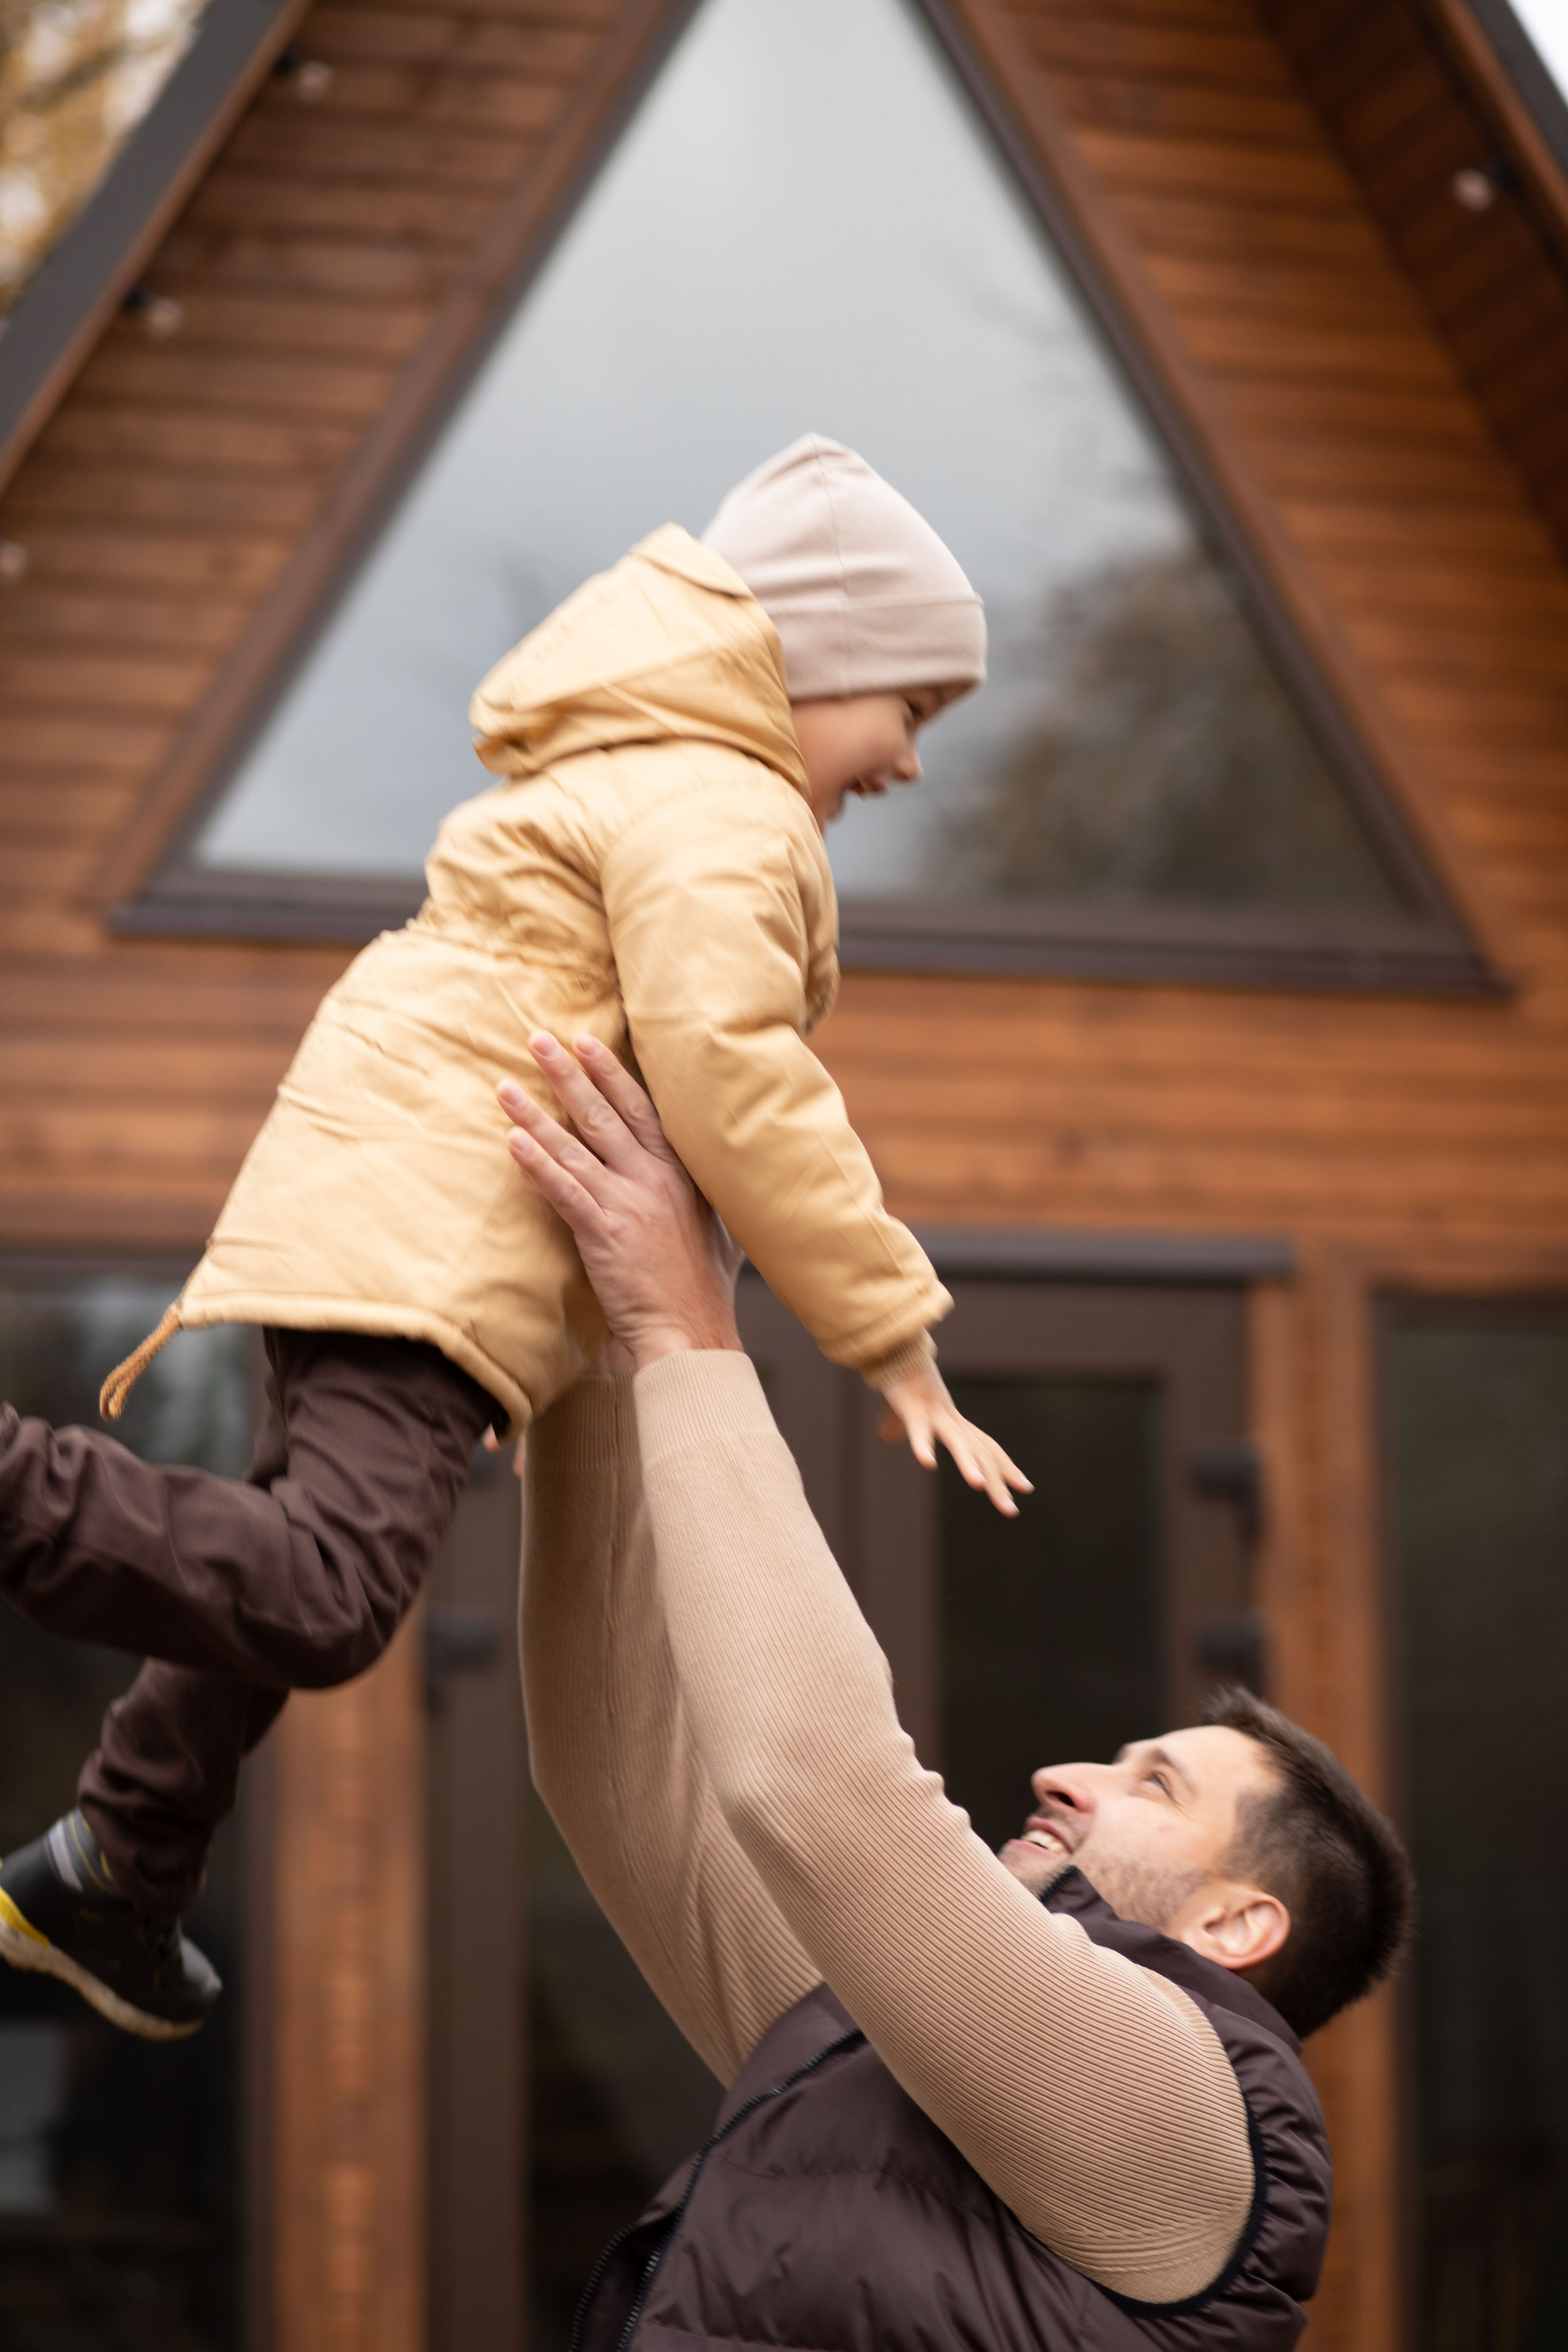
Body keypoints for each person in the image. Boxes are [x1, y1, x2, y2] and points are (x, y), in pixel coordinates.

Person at [0, 435, 1027, 2039]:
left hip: (393, 1200)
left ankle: (116, 1866)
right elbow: (731, 1069)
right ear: (812, 661)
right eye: (914, 709)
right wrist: (888, 1327)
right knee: (326, 1591)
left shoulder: (626, 770)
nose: (909, 766)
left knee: (268, 1571)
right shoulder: (723, 801)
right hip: (427, 1225)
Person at [504, 1032, 1415, 2346]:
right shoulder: (878, 2060)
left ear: (1233, 1929)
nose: (1062, 1775)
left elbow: (816, 1783)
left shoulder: (1186, 2118)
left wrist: (685, 1331)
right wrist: (599, 1359)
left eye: (1149, 1783)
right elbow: (620, 1782)